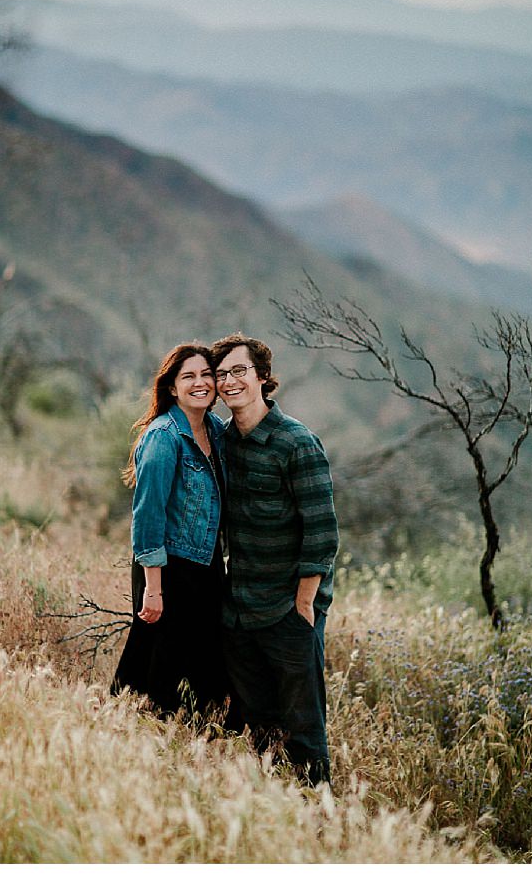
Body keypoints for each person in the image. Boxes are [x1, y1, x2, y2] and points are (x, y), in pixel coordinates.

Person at [210, 333, 339, 786]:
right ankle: (274, 805)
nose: (229, 381)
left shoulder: (296, 443)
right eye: (221, 374)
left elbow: (322, 534)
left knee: (304, 725)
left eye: (239, 371)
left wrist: (304, 606)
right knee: (260, 720)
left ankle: (319, 812)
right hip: (240, 611)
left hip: (288, 611)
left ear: (263, 377)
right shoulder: (222, 443)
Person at [111, 343, 230, 718]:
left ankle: (191, 743)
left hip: (205, 564)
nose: (200, 383)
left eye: (206, 375)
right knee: (158, 667)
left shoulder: (215, 430)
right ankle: (133, 735)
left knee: (204, 668)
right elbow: (148, 516)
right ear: (173, 388)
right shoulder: (164, 436)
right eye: (188, 377)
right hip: (167, 568)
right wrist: (154, 589)